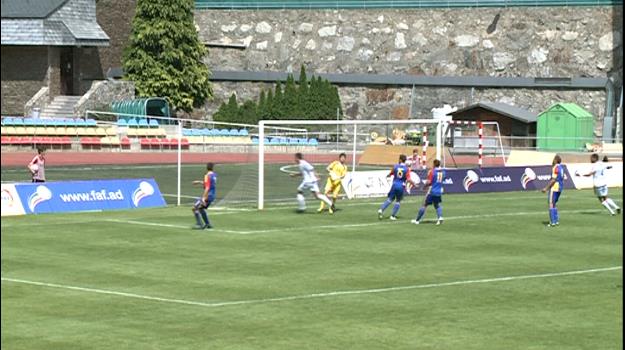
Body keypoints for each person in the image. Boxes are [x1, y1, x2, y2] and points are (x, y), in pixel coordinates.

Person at [378, 154, 417, 220]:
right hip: (401, 186)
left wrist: (388, 175)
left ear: (400, 160)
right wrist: (414, 184)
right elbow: (409, 179)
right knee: (398, 201)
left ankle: (381, 210)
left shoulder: (395, 166)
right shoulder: (406, 169)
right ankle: (392, 216)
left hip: (394, 184)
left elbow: (390, 173)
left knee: (390, 199)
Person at [411, 159, 446, 225]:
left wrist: (424, 186)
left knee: (424, 204)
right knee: (437, 205)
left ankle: (417, 220)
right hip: (439, 191)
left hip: (432, 191)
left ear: (434, 164)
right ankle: (440, 217)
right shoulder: (443, 172)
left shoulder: (432, 172)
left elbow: (429, 182)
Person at [191, 162, 216, 229]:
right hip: (212, 196)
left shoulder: (206, 176)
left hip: (207, 196)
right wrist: (199, 182)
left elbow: (207, 188)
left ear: (206, 167)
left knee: (194, 208)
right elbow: (209, 184)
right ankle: (208, 224)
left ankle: (200, 224)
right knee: (201, 209)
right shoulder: (214, 175)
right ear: (212, 168)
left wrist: (203, 198)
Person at [542, 155, 565, 227]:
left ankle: (552, 222)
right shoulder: (561, 167)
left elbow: (553, 179)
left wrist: (546, 188)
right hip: (560, 187)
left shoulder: (555, 167)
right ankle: (556, 220)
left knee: (551, 203)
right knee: (554, 204)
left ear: (555, 160)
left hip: (554, 187)